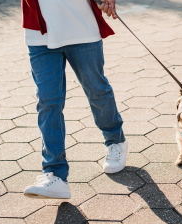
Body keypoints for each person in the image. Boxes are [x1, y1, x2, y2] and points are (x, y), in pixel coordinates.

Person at [21, 0, 128, 199]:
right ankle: (55, 174)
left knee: (97, 90)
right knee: (48, 102)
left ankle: (115, 141)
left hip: (81, 28)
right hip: (40, 34)